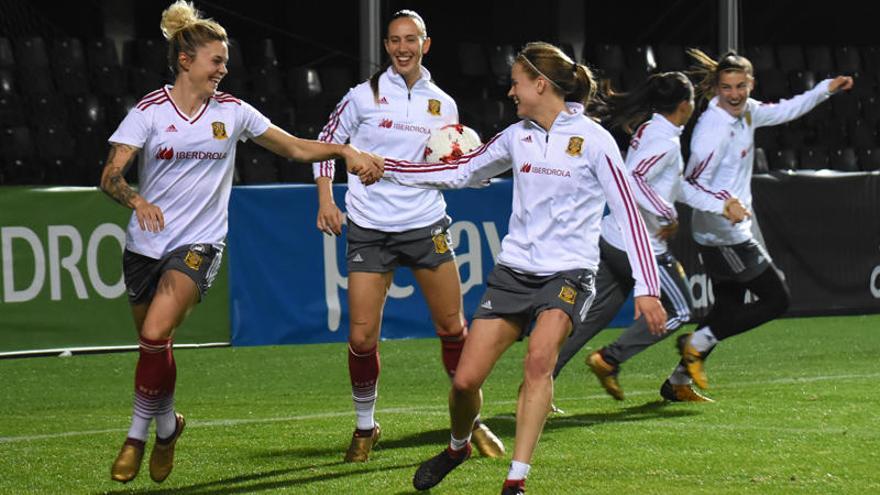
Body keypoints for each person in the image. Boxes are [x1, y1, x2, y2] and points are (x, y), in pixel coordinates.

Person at [105, 0, 382, 484]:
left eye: (226, 60)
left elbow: (294, 147)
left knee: (154, 335)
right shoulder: (149, 112)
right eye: (217, 59)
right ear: (186, 60)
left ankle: (135, 436)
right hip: (144, 246)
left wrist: (342, 148)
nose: (224, 68)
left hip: (200, 244)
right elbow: (110, 176)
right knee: (155, 345)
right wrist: (135, 202)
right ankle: (169, 427)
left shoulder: (233, 113)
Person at [383, 42, 667, 495]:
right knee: (464, 382)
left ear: (540, 84)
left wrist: (647, 287)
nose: (511, 92)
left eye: (516, 82)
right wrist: (387, 168)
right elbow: (463, 172)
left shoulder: (594, 141)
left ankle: (516, 480)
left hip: (570, 273)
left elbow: (629, 213)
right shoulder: (517, 136)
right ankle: (458, 446)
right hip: (514, 271)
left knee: (539, 363)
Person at [310, 10, 503, 462]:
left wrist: (469, 173)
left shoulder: (444, 103)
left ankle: (469, 422)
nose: (402, 48)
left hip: (425, 225)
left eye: (410, 40)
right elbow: (325, 143)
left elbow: (447, 165)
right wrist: (325, 199)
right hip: (369, 228)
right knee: (361, 338)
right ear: (386, 46)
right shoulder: (362, 97)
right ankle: (364, 426)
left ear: (425, 44)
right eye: (394, 40)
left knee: (453, 328)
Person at [550, 72, 748, 403]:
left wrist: (720, 203)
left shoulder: (651, 129)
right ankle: (610, 359)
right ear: (685, 106)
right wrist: (667, 214)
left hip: (613, 237)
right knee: (679, 310)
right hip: (637, 246)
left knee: (590, 317)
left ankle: (538, 384)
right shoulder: (664, 140)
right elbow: (634, 179)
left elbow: (670, 186)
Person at [671, 49, 853, 395]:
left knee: (728, 307)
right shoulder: (713, 129)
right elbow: (687, 185)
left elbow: (786, 110)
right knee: (776, 300)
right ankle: (695, 342)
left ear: (751, 83)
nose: (735, 94)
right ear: (718, 88)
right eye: (727, 87)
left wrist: (825, 89)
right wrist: (724, 206)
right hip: (720, 232)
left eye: (740, 86)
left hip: (731, 227)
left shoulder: (748, 112)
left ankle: (678, 381)